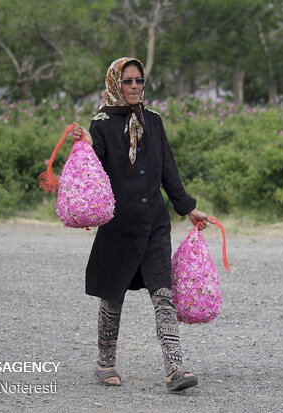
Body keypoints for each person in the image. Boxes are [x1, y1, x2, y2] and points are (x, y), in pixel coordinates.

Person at [72, 57, 211, 392]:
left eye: (139, 81)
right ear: (115, 84)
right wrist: (88, 147)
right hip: (119, 227)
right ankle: (105, 362)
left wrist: (188, 208)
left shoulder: (153, 121)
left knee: (164, 295)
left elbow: (168, 170)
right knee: (112, 296)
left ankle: (175, 370)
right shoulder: (101, 123)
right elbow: (95, 169)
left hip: (154, 227)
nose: (135, 87)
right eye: (127, 81)